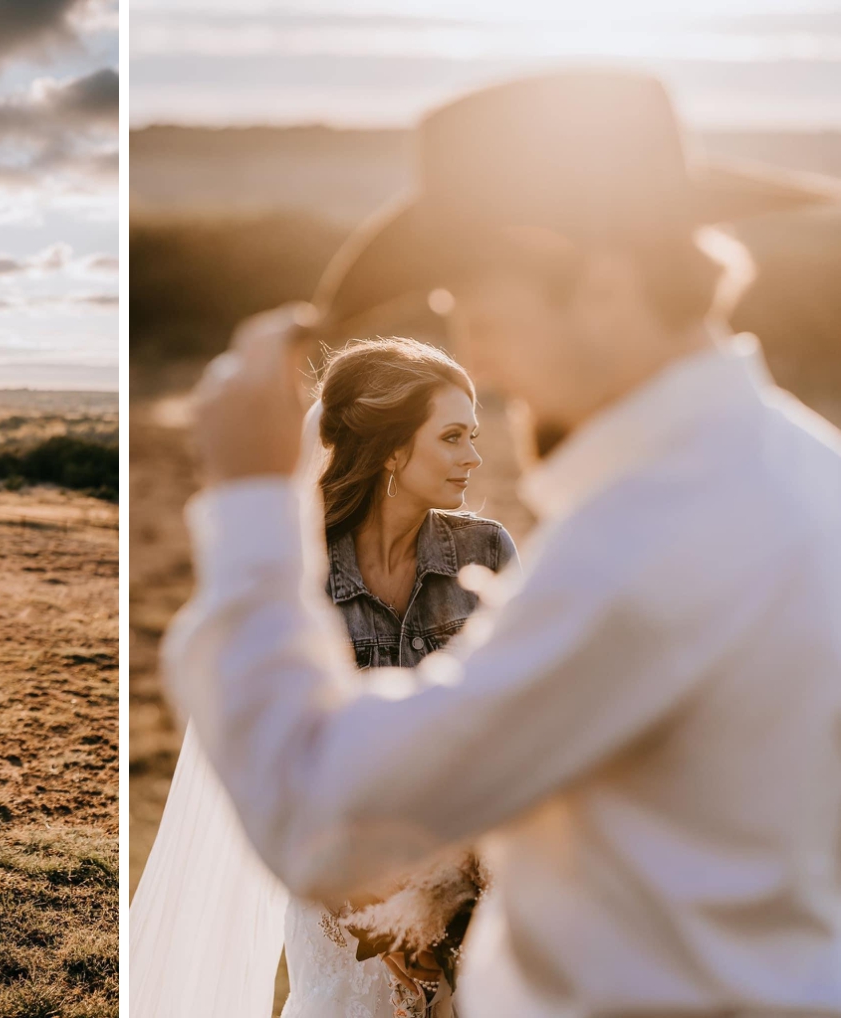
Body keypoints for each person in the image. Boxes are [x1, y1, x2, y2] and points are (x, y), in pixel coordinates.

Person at [163, 70, 841, 1017]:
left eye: (478, 306)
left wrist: (247, 505)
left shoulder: (648, 542)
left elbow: (327, 822)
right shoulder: (810, 470)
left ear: (600, 283)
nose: (476, 355)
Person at [131, 340, 515, 1018]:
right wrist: (380, 909)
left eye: (473, 436)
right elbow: (280, 753)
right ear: (393, 449)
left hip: (480, 888)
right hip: (340, 900)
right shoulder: (299, 577)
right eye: (452, 436)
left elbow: (517, 724)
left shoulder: (486, 551)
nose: (474, 457)